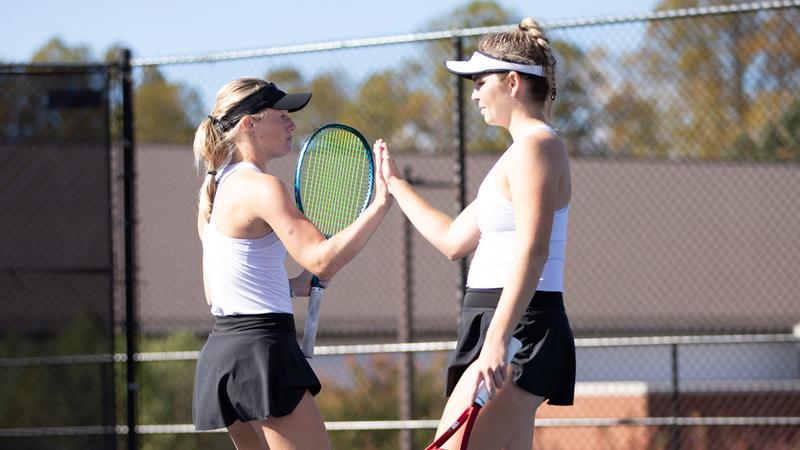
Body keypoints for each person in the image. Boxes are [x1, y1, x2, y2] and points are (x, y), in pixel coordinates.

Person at [379, 17, 575, 449]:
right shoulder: (518, 155)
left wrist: (497, 340)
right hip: (500, 324)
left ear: (511, 83)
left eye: (479, 81)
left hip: (519, 327)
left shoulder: (537, 148)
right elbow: (452, 240)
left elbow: (533, 248)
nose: (473, 94)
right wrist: (396, 185)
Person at [191, 77, 392, 450]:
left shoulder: (219, 191)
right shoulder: (262, 188)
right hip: (262, 352)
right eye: (281, 116)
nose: (291, 125)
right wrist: (380, 205)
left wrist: (295, 286)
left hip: (225, 354)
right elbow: (323, 259)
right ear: (249, 124)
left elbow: (218, 291)